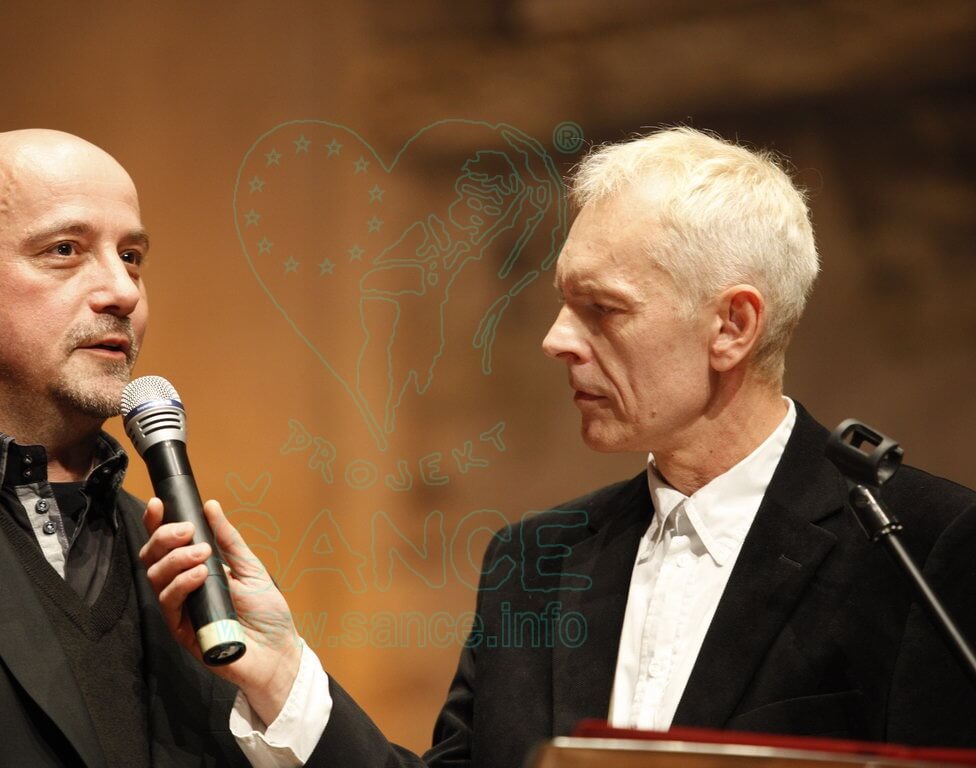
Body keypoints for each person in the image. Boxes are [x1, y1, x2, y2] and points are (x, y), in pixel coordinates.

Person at [140, 126, 976, 767]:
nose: (556, 340)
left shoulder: (917, 545)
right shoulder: (533, 561)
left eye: (602, 309)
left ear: (732, 325)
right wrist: (280, 672)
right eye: (563, 303)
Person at [0, 129, 278, 766]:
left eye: (131, 256)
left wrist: (281, 682)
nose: (124, 291)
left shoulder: (191, 580)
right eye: (64, 250)